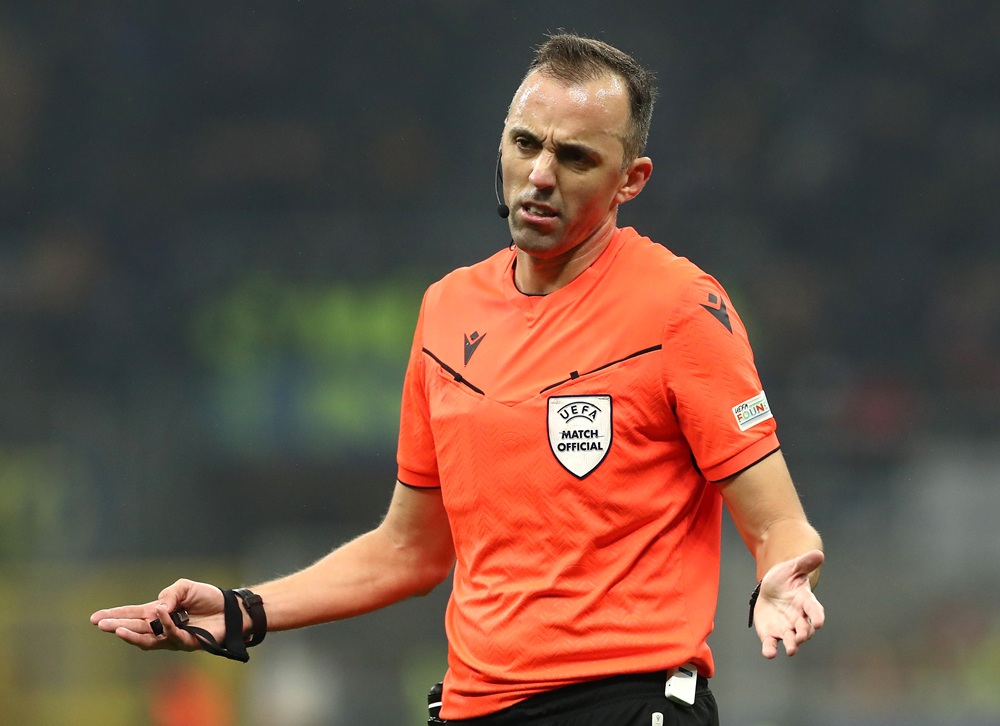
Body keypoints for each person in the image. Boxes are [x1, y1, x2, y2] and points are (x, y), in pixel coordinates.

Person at [91, 34, 825, 725]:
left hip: (630, 702)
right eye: (525, 143)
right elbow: (410, 549)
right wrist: (246, 610)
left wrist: (781, 575)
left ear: (631, 180)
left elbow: (776, 518)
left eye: (574, 157)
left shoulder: (681, 307)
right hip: (476, 707)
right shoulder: (447, 310)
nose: (540, 175)